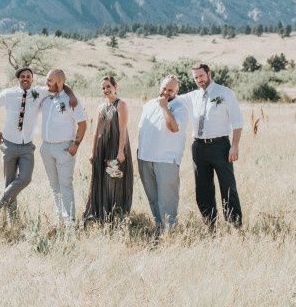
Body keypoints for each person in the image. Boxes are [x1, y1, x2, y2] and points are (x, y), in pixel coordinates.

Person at [0, 67, 77, 215]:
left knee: (25, 178)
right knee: (10, 181)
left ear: (32, 79)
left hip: (27, 146)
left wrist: (72, 95)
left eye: (28, 76)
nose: (25, 78)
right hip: (9, 144)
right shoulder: (8, 93)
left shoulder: (40, 92)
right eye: (22, 76)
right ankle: (13, 218)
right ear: (18, 78)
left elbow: (60, 85)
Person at [179, 63, 243, 227]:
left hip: (220, 146)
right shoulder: (192, 96)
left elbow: (237, 122)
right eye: (195, 77)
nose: (199, 80)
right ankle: (210, 224)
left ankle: (234, 224)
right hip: (198, 147)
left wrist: (234, 146)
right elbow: (171, 97)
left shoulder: (225, 93)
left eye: (201, 76)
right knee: (203, 188)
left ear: (209, 74)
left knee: (227, 186)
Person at [137, 75, 188, 230]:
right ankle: (159, 229)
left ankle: (170, 232)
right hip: (145, 158)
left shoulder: (180, 107)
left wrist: (165, 107)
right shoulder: (149, 105)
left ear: (177, 90)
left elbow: (174, 127)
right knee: (153, 198)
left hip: (166, 159)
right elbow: (141, 128)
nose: (166, 92)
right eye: (164, 88)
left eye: (170, 90)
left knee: (167, 199)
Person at [39, 69, 87, 225]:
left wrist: (76, 145)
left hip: (64, 148)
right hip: (46, 148)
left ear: (59, 82)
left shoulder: (71, 100)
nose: (46, 83)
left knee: (65, 184)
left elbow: (82, 124)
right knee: (54, 185)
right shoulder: (45, 97)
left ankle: (70, 221)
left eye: (49, 80)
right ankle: (60, 217)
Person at [83, 76, 133, 223]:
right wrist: (93, 152)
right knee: (101, 180)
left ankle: (116, 215)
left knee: (114, 179)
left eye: (108, 86)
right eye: (103, 88)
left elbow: (123, 129)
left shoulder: (121, 105)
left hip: (115, 149)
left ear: (115, 87)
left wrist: (120, 151)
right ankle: (101, 215)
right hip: (102, 149)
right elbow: (97, 131)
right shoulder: (101, 107)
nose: (106, 90)